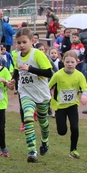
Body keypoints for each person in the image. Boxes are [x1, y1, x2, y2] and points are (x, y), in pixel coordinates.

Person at [12, 27, 54, 163]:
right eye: (19, 43)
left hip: (41, 93)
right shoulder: (16, 55)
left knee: (42, 121)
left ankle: (45, 140)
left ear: (32, 41)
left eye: (24, 42)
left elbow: (49, 73)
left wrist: (30, 69)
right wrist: (13, 80)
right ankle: (32, 152)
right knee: (28, 118)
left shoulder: (37, 54)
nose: (21, 45)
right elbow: (17, 71)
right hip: (26, 92)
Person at [48, 50, 87, 159]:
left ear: (77, 62)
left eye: (72, 62)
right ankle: (62, 128)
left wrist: (84, 95)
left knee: (75, 128)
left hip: (72, 105)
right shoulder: (58, 75)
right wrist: (48, 97)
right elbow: (48, 86)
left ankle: (73, 150)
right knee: (62, 131)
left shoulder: (79, 75)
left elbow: (84, 88)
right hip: (60, 106)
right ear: (63, 62)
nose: (70, 64)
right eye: (67, 62)